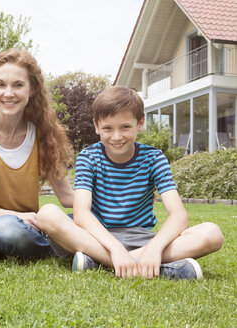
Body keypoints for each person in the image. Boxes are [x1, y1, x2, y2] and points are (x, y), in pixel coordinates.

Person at [37, 86, 224, 279]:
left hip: (140, 238)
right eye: (108, 128)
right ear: (96, 125)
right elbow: (82, 214)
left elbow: (178, 216)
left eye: (125, 127)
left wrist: (154, 248)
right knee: (47, 214)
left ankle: (99, 262)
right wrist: (115, 248)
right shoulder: (88, 157)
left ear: (140, 123)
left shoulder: (154, 158)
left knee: (212, 233)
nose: (116, 137)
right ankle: (140, 265)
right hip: (95, 237)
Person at [0, 48, 74, 259]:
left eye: (18, 85)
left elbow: (67, 196)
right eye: (1, 84)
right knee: (9, 231)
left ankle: (61, 241)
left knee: (85, 219)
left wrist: (111, 199)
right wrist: (13, 215)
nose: (8, 93)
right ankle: (63, 245)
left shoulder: (44, 133)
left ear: (32, 89)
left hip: (33, 225)